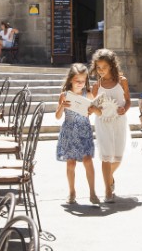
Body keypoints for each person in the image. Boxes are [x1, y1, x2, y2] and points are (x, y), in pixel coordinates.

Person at [55, 63, 100, 205]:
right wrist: (62, 106)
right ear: (70, 80)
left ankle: (92, 192)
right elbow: (57, 116)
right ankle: (72, 192)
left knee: (88, 161)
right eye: (77, 81)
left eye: (83, 81)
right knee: (71, 163)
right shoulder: (64, 95)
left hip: (84, 131)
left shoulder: (89, 94)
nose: (80, 84)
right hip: (69, 131)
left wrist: (93, 109)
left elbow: (99, 112)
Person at [89, 48, 131, 203]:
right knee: (106, 157)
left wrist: (124, 109)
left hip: (119, 122)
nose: (100, 71)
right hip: (103, 124)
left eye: (104, 67)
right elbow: (95, 107)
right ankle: (108, 190)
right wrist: (91, 109)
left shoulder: (122, 81)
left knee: (117, 158)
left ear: (112, 66)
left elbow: (128, 101)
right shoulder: (96, 87)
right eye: (98, 68)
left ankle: (109, 178)